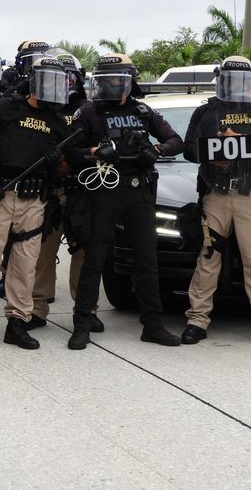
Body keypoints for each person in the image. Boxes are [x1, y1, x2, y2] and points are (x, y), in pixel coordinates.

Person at [65, 54, 183, 350]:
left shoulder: (143, 111)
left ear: (129, 82)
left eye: (117, 80)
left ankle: (152, 325)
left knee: (147, 259)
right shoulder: (89, 112)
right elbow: (70, 152)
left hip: (139, 190)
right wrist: (95, 150)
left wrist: (155, 150)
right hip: (105, 189)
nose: (111, 86)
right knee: (95, 257)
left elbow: (175, 141)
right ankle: (82, 325)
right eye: (105, 81)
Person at [0, 57, 71, 352]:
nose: (53, 88)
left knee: (25, 265)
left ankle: (17, 324)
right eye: (47, 81)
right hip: (0, 194)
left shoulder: (59, 122)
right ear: (34, 82)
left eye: (58, 82)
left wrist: (56, 163)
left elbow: (63, 170)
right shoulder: (6, 108)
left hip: (34, 200)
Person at [180, 56, 251, 349]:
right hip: (216, 192)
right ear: (221, 80)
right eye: (231, 80)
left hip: (250, 194)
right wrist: (215, 149)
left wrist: (238, 142)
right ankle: (197, 320)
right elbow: (189, 150)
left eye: (243, 81)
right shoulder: (205, 113)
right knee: (209, 256)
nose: (237, 86)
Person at [28, 48, 99, 331]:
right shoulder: (44, 110)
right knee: (43, 252)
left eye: (71, 77)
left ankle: (86, 309)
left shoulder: (89, 110)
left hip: (82, 189)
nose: (66, 83)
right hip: (49, 190)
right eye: (61, 77)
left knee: (83, 252)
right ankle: (37, 308)